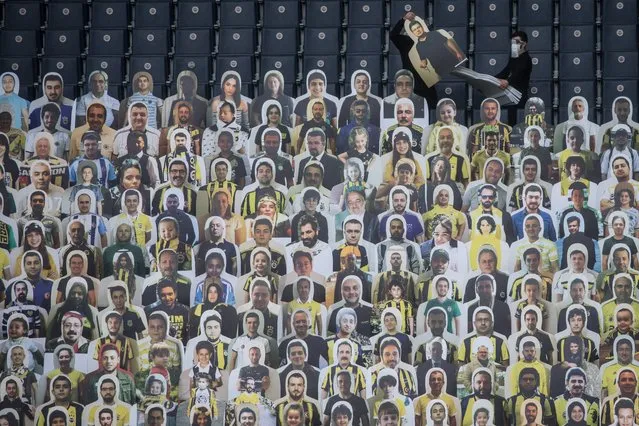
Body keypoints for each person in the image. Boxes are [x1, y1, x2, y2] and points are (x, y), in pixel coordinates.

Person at [495, 31, 533, 125]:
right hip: (510, 93)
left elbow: (518, 74)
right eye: (512, 42)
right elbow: (506, 71)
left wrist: (507, 81)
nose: (514, 44)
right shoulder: (514, 58)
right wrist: (492, 79)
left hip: (519, 95)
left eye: (516, 42)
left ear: (524, 44)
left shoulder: (526, 59)